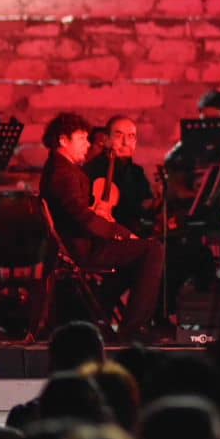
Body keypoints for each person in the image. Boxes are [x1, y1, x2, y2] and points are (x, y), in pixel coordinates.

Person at [39, 112, 166, 341]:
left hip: (84, 244)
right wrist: (121, 234)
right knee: (153, 250)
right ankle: (133, 329)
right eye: (82, 139)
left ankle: (101, 314)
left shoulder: (62, 169)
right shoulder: (62, 173)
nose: (88, 145)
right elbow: (81, 217)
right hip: (83, 248)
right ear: (63, 140)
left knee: (142, 255)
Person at [85, 116, 156, 236]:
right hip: (105, 235)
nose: (126, 143)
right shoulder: (93, 169)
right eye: (118, 136)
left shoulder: (137, 172)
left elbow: (144, 208)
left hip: (132, 232)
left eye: (131, 136)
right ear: (106, 140)